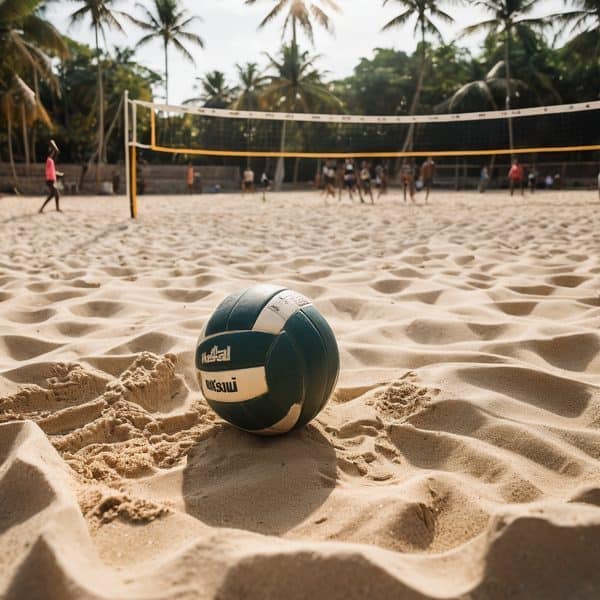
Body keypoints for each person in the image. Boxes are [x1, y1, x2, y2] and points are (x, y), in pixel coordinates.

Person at [38, 140, 63, 213]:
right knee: (56, 194)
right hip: (50, 181)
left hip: (51, 180)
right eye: (52, 153)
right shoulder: (49, 160)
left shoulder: (51, 162)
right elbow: (57, 151)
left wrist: (59, 174)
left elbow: (52, 172)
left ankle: (42, 209)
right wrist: (52, 143)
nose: (54, 154)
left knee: (53, 195)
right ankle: (56, 208)